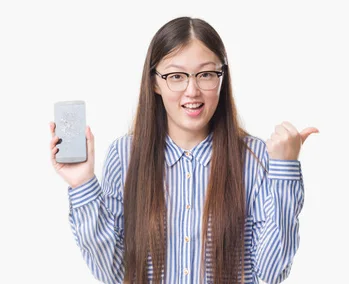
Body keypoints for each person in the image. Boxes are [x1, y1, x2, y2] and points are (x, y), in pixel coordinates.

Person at [48, 16, 317, 284]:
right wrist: (82, 183)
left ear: (221, 78)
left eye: (206, 75)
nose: (192, 91)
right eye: (176, 76)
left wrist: (285, 170)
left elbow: (269, 275)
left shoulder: (254, 157)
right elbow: (116, 274)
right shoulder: (126, 155)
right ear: (155, 82)